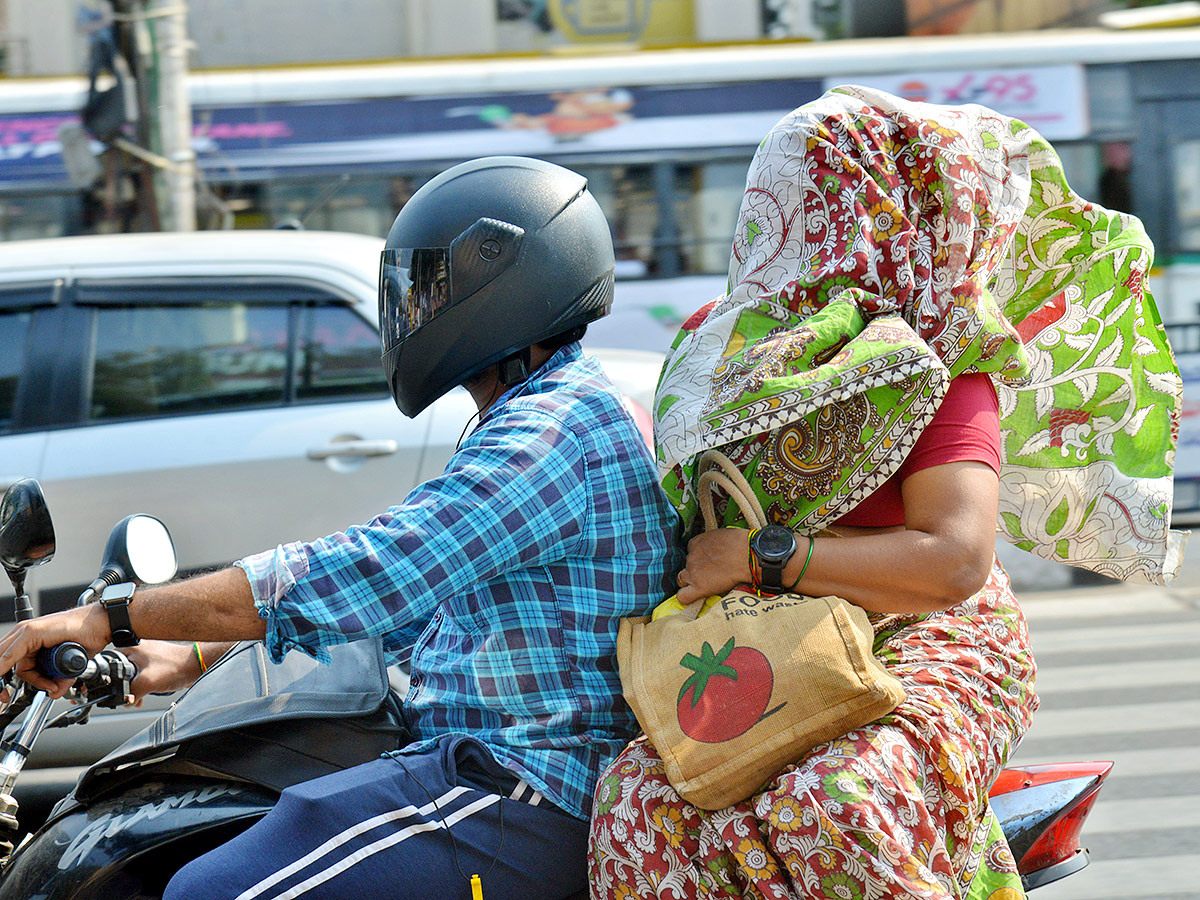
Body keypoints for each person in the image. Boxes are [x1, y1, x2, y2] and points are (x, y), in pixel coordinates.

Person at [0, 156, 683, 900]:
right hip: (473, 769)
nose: (413, 311)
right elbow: (416, 612)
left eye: (430, 289)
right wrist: (184, 656)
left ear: (505, 283)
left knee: (208, 892)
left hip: (522, 789)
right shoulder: (543, 413)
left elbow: (371, 573)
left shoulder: (552, 433)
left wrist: (114, 616)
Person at [589, 86, 1183, 900]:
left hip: (928, 635)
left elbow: (954, 561)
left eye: (824, 198)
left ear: (895, 217)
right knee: (635, 803)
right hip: (767, 637)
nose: (799, 220)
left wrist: (766, 557)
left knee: (834, 802)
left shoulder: (943, 361)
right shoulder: (723, 347)